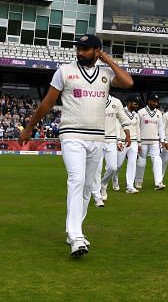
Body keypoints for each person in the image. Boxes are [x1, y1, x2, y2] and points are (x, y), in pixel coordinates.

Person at [20, 34, 132, 257]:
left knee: (88, 186)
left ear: (97, 51)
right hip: (71, 134)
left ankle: (74, 231)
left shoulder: (106, 73)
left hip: (97, 137)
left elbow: (128, 82)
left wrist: (108, 61)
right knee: (76, 180)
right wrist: (29, 127)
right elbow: (48, 102)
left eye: (86, 49)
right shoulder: (64, 71)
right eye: (78, 48)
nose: (80, 52)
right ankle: (77, 236)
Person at [91, 94, 131, 206]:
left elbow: (123, 118)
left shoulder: (116, 102)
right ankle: (97, 197)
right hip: (97, 139)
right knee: (97, 170)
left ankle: (103, 185)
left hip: (111, 139)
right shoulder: (93, 99)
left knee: (113, 167)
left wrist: (127, 134)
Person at [134, 93, 166, 190]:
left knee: (157, 160)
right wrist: (138, 142)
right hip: (143, 141)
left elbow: (161, 128)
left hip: (155, 141)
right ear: (149, 101)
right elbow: (137, 128)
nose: (155, 103)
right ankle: (138, 181)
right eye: (153, 101)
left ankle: (158, 182)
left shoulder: (159, 113)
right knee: (141, 162)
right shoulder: (140, 112)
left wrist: (163, 139)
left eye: (156, 102)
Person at [114, 94, 141, 193]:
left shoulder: (136, 116)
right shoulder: (121, 113)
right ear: (128, 103)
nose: (136, 105)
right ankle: (115, 179)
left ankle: (130, 186)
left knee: (132, 163)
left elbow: (138, 129)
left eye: (137, 104)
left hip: (133, 142)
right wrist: (118, 140)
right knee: (118, 165)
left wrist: (139, 143)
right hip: (122, 140)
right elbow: (117, 126)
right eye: (135, 103)